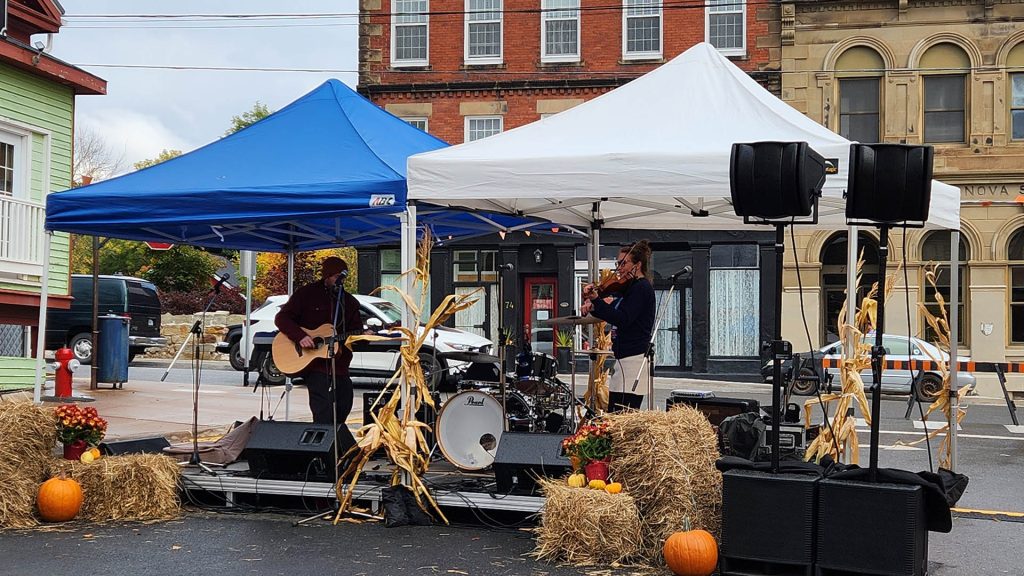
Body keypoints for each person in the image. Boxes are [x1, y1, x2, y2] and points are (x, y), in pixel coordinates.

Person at [275, 256, 361, 452]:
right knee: (322, 411)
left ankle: (336, 449)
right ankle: (322, 452)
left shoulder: (350, 302)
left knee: (344, 405)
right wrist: (300, 336)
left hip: (340, 366)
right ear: (327, 275)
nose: (339, 280)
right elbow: (282, 318)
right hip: (316, 367)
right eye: (336, 276)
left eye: (342, 277)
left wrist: (364, 335)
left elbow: (357, 333)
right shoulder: (307, 294)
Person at [581, 241, 655, 411]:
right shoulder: (630, 289)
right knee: (615, 413)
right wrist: (594, 306)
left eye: (623, 263)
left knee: (621, 416)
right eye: (618, 263)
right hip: (625, 360)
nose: (619, 268)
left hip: (634, 361)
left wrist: (596, 300)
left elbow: (622, 318)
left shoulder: (641, 288)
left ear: (637, 265)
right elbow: (613, 313)